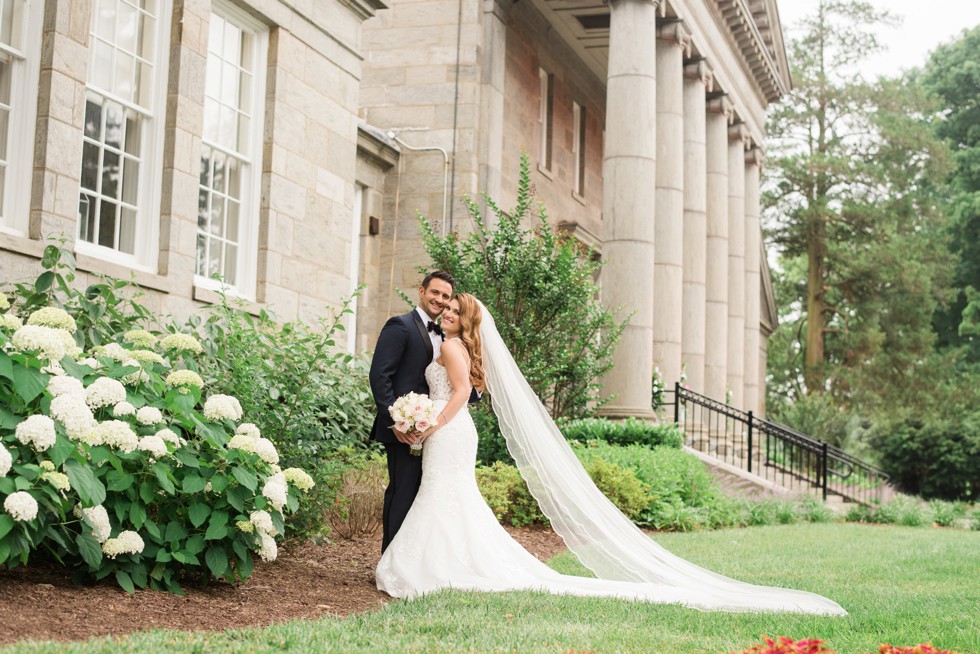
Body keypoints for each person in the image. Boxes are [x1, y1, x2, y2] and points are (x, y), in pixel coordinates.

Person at [375, 293, 847, 615]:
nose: (449, 313)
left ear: (467, 318)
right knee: (452, 498)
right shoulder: (455, 344)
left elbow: (458, 393)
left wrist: (429, 423)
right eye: (448, 307)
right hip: (452, 432)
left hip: (449, 429)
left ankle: (435, 565)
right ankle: (451, 560)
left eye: (457, 309)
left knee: (446, 495)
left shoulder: (454, 347)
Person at [369, 271, 455, 553]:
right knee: (402, 493)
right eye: (435, 293)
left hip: (431, 428)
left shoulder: (445, 334)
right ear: (421, 291)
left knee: (423, 495)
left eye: (446, 296)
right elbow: (379, 375)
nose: (440, 300)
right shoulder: (401, 326)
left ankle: (413, 558)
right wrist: (396, 421)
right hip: (402, 429)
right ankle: (389, 560)